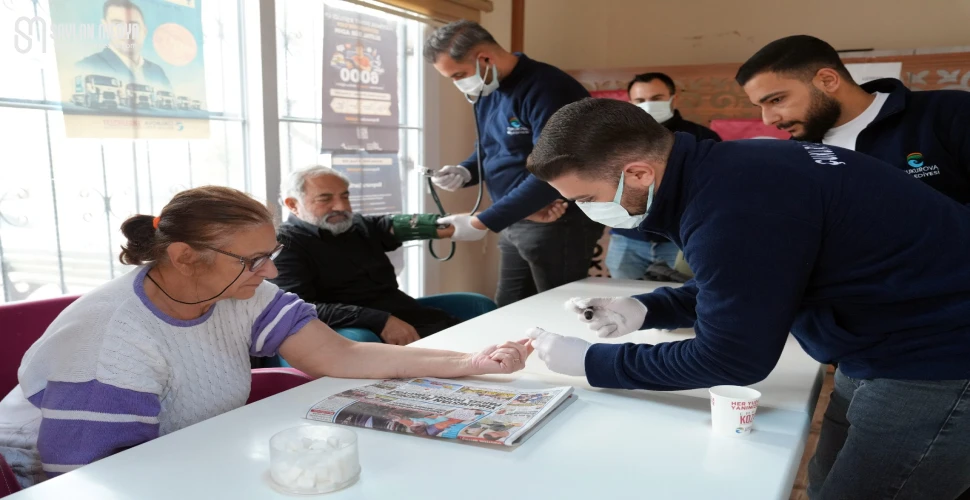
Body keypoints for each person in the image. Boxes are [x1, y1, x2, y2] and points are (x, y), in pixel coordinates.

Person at [522, 98, 970, 500]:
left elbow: (732, 358)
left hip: (939, 356)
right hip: (882, 340)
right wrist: (649, 307)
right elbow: (758, 273)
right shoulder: (735, 166)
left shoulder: (729, 206)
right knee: (822, 479)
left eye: (587, 199)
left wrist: (592, 363)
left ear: (638, 173)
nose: (588, 212)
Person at [0, 186, 531, 490]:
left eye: (270, 255)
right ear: (184, 257)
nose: (271, 273)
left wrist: (472, 361)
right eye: (255, 260)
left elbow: (339, 352)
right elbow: (87, 479)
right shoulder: (110, 343)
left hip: (178, 455)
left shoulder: (239, 289)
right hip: (60, 479)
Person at [423, 20, 603, 307]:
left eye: (459, 74)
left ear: (484, 58)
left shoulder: (548, 88)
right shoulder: (487, 89)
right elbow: (490, 149)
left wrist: (483, 221)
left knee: (560, 310)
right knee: (508, 309)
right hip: (515, 218)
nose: (459, 84)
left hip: (556, 219)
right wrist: (465, 171)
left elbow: (555, 170)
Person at [273, 166, 496, 346]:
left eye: (345, 196)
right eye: (325, 199)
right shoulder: (286, 244)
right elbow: (298, 308)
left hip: (405, 317)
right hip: (358, 333)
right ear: (293, 204)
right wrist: (379, 320)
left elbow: (441, 225)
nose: (341, 206)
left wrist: (503, 214)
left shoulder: (359, 225)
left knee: (480, 311)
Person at [737, 35, 970, 205]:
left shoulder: (949, 112)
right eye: (760, 107)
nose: (768, 120)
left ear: (828, 81)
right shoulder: (797, 155)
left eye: (776, 100)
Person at [607, 72, 721, 281]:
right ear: (630, 102)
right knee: (621, 302)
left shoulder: (702, 137)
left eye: (656, 98)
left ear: (673, 98)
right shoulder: (615, 139)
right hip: (628, 239)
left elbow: (716, 187)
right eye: (640, 100)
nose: (648, 105)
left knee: (686, 300)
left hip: (680, 240)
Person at [76, 0, 172, 89]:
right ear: (105, 27)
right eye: (118, 25)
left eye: (134, 25)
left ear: (144, 31)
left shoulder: (158, 72)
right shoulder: (87, 65)